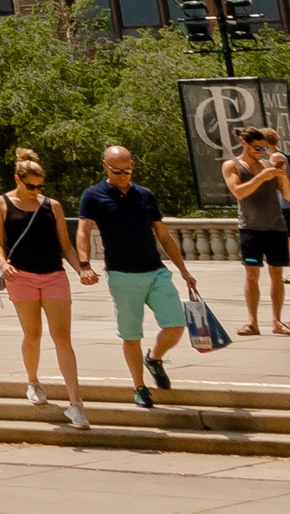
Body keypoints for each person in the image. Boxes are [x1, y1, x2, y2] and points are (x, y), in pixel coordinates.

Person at [75, 142, 199, 404]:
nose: (123, 177)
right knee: (131, 334)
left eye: (127, 171)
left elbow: (163, 234)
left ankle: (153, 358)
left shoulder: (145, 195)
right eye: (117, 172)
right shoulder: (93, 195)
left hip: (155, 271)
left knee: (176, 324)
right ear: (105, 167)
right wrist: (84, 265)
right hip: (122, 275)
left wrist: (184, 269)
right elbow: (83, 231)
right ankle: (139, 386)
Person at [0, 149, 89, 427]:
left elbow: (65, 245)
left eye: (40, 186)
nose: (35, 191)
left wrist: (82, 269)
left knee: (62, 337)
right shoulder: (2, 203)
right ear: (17, 179)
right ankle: (32, 381)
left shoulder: (52, 206)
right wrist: (2, 262)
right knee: (32, 335)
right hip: (21, 276)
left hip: (54, 274)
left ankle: (76, 404)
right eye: (30, 186)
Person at [225, 125, 286, 337]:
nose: (261, 152)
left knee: (277, 274)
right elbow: (239, 193)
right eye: (257, 147)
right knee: (252, 274)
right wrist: (261, 177)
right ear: (245, 144)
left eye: (263, 148)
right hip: (250, 227)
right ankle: (252, 322)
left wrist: (282, 174)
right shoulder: (232, 166)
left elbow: (287, 195)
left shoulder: (268, 165)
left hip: (276, 225)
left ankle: (277, 321)